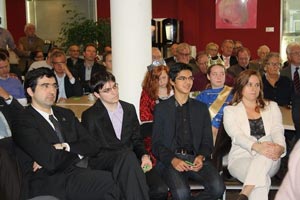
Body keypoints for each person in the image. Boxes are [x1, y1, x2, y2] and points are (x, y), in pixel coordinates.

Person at [12, 67, 123, 200]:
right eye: (45, 86)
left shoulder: (65, 113)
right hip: (48, 181)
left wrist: (65, 147)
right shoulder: (23, 121)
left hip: (78, 172)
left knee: (123, 169)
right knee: (111, 182)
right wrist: (79, 153)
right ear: (30, 91)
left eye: (54, 86)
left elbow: (93, 145)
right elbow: (51, 161)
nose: (52, 91)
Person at [81, 71, 167, 200]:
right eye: (107, 90)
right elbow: (92, 149)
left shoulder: (129, 109)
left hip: (132, 159)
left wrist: (144, 155)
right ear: (97, 94)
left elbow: (137, 140)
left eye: (115, 86)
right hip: (106, 162)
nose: (114, 92)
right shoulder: (90, 115)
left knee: (160, 189)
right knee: (127, 160)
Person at [152, 62, 225, 200]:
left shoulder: (201, 108)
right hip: (171, 160)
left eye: (190, 78)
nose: (188, 82)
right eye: (182, 78)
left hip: (195, 158)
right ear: (172, 81)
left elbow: (207, 140)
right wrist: (173, 160)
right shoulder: (162, 109)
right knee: (182, 193)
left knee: (218, 188)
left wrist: (201, 156)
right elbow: (157, 144)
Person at [223, 70, 286, 200]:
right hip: (241, 158)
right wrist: (257, 147)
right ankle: (246, 193)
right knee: (262, 181)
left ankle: (244, 193)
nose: (254, 89)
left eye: (257, 85)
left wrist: (281, 147)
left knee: (267, 150)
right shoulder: (230, 111)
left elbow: (277, 130)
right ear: (241, 87)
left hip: (271, 158)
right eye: (249, 84)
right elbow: (236, 135)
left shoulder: (272, 107)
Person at [196, 57, 233, 143]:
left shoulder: (233, 94)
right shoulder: (201, 97)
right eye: (215, 74)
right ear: (208, 76)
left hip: (228, 133)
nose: (219, 77)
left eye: (222, 74)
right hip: (208, 134)